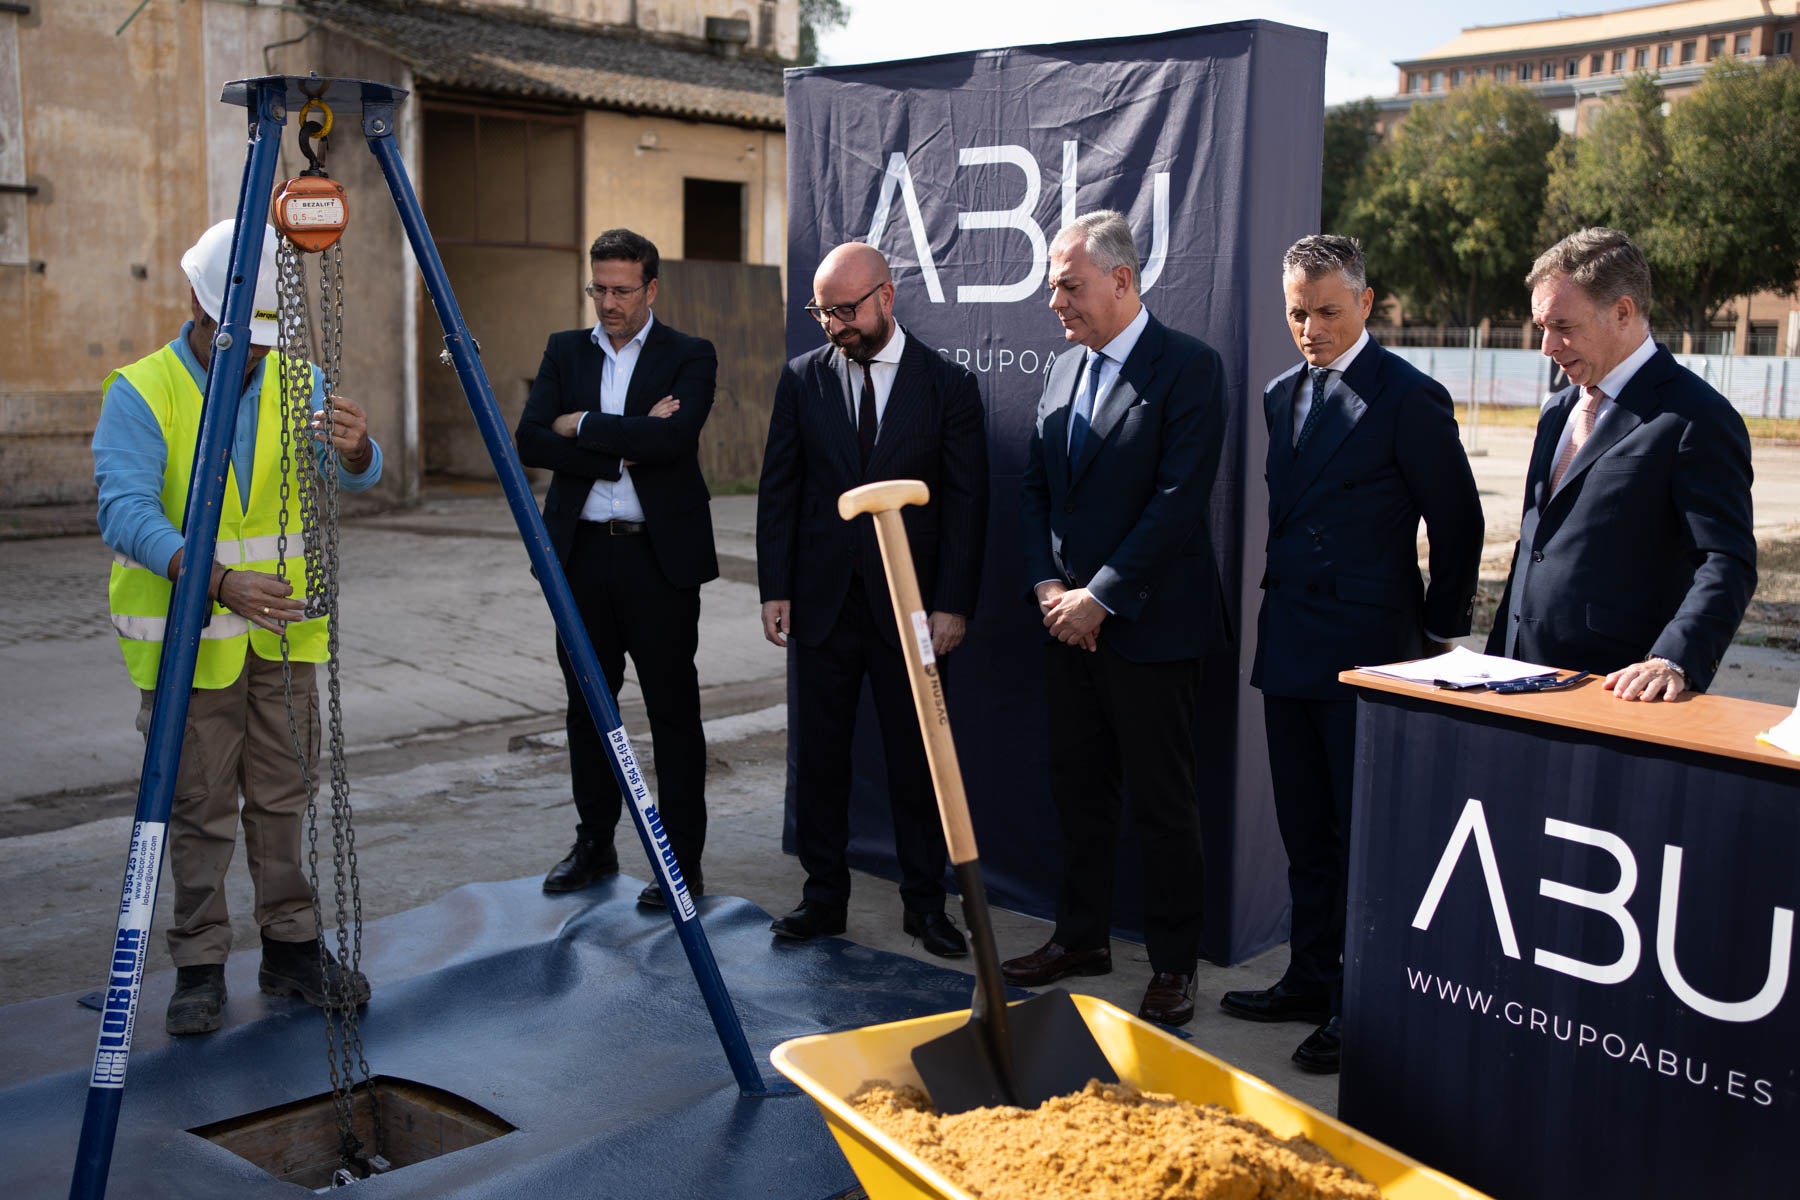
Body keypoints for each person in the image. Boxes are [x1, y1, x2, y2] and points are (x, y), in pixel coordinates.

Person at [92, 218, 382, 1035]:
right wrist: (216, 581)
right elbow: (124, 511)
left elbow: (355, 473)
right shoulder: (142, 390)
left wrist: (360, 454)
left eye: (261, 338)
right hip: (190, 645)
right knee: (199, 803)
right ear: (196, 299)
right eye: (236, 333)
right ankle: (200, 962)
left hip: (282, 638)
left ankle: (291, 947)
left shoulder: (299, 377)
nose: (250, 351)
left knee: (283, 796)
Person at [1222, 234, 1485, 1074]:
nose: (1310, 328)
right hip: (1292, 643)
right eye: (1297, 312)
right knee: (1306, 831)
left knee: (1357, 834)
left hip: (1372, 651)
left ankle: (1356, 1003)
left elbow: (1459, 522)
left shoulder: (1410, 397)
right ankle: (1308, 976)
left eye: (1328, 311)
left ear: (1366, 304)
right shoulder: (1276, 395)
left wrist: (1440, 634)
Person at [1004, 210, 1230, 1027]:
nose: (1055, 302)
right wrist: (1046, 591)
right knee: (1079, 791)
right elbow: (1033, 489)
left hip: (1151, 629)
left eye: (1069, 285)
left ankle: (1174, 966)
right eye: (1052, 286)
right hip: (1064, 626)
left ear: (1122, 280)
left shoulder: (1190, 369)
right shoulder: (1063, 372)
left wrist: (1099, 596)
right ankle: (1080, 938)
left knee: (1165, 803)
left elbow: (1178, 501)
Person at [755, 241, 988, 958]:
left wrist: (952, 604)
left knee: (918, 764)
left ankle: (927, 907)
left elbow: (966, 504)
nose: (834, 324)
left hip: (913, 611)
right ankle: (823, 897)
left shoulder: (947, 386)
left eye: (846, 309)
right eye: (822, 311)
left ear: (887, 297)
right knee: (821, 759)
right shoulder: (802, 381)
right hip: (823, 606)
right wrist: (777, 588)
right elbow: (781, 490)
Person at [516, 229, 718, 907]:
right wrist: (620, 443)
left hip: (658, 560)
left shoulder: (690, 355)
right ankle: (594, 844)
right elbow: (531, 437)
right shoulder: (565, 349)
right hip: (580, 557)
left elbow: (674, 439)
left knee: (672, 712)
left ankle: (681, 862)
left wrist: (583, 424)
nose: (608, 302)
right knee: (586, 707)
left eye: (622, 290)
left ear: (651, 289)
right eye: (598, 288)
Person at [1488, 227, 1756, 701]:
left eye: (1563, 327)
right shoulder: (1557, 411)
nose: (1546, 346)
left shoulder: (1696, 417)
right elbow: (1537, 545)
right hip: (1521, 678)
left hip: (1617, 693)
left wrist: (1675, 658)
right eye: (1541, 327)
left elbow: (1725, 560)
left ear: (1623, 312)